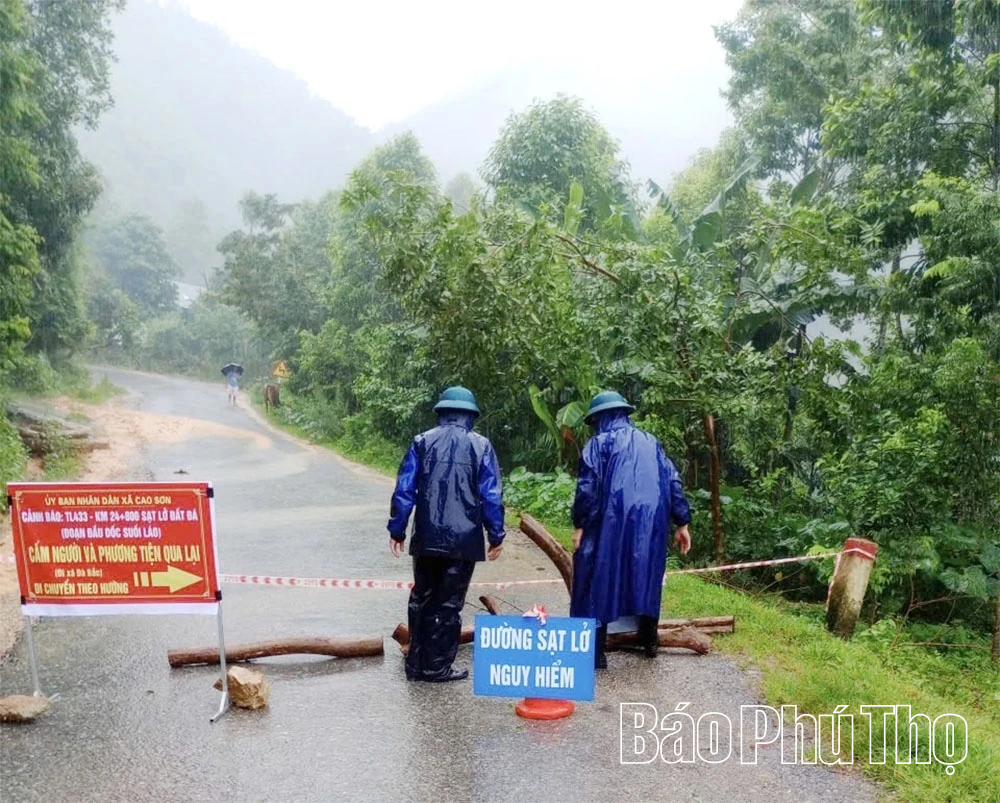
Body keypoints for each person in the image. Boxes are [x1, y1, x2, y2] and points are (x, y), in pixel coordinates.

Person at [388, 386, 505, 682]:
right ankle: (438, 667)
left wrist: (397, 528)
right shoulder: (481, 446)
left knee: (422, 598)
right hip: (463, 539)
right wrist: (496, 534)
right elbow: (491, 494)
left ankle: (416, 664)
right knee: (449, 603)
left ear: (442, 412)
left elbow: (405, 489)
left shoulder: (422, 442)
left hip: (427, 537)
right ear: (470, 415)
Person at [570, 391, 692, 669]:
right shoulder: (651, 443)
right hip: (651, 522)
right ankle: (650, 640)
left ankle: (594, 653)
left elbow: (587, 488)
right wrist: (682, 522)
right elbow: (673, 481)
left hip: (609, 521)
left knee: (595, 579)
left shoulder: (598, 444)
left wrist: (579, 525)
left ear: (598, 419)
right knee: (647, 573)